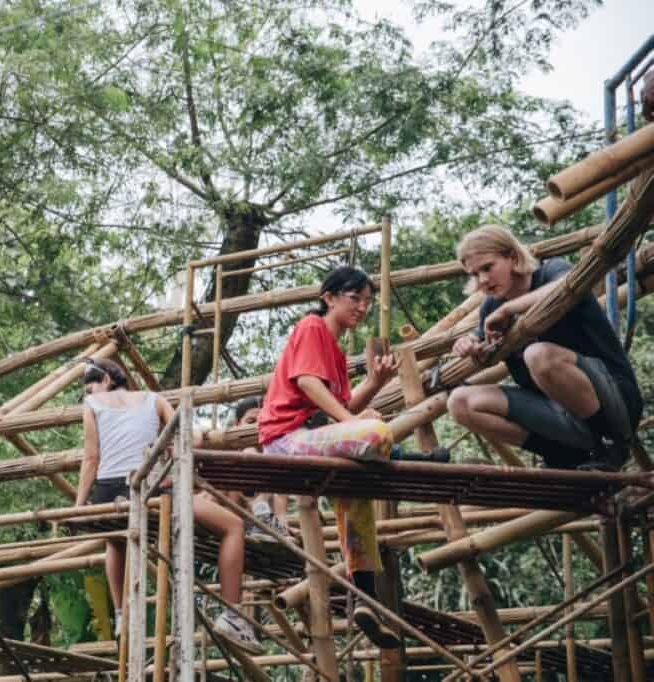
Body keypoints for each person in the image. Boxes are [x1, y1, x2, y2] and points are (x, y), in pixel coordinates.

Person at [75, 358, 263, 655]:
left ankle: (122, 614)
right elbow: (191, 436)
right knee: (233, 526)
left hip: (109, 491)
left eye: (89, 386)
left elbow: (91, 457)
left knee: (115, 539)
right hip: (150, 489)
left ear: (107, 381)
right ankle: (233, 615)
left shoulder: (93, 403)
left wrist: (79, 504)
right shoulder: (154, 399)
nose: (88, 393)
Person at [257, 265, 400, 648]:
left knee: (358, 498)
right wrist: (355, 422)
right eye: (355, 299)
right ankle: (400, 453)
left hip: (317, 440)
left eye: (368, 302)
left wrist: (375, 383)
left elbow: (343, 404)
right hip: (287, 441)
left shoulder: (336, 352)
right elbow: (306, 383)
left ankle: (365, 598)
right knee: (375, 430)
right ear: (329, 298)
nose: (363, 308)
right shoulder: (312, 327)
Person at [448, 224, 642, 471]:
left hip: (615, 405)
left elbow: (564, 288)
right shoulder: (491, 306)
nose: (483, 280)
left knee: (538, 355)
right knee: (459, 402)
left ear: (513, 257)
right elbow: (480, 337)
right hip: (559, 413)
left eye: (488, 267)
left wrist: (510, 309)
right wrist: (468, 343)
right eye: (475, 274)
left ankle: (611, 446)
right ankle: (561, 455)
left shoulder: (552, 271)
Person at [231, 397, 290, 541]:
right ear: (237, 424)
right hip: (237, 522)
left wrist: (283, 530)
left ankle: (263, 517)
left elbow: (281, 511)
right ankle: (260, 517)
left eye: (262, 421)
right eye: (251, 422)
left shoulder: (275, 459)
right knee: (249, 452)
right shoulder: (227, 455)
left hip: (268, 527)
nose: (256, 427)